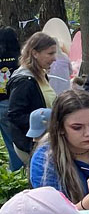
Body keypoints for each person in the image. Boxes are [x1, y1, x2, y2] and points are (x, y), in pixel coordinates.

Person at [7, 32, 57, 166]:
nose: (54, 58)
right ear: (35, 53)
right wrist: (43, 121)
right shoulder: (24, 81)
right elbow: (15, 115)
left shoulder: (40, 74)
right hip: (31, 142)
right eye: (50, 53)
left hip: (45, 139)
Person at [0, 26, 22, 171]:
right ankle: (20, 169)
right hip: (15, 102)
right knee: (17, 139)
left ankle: (14, 170)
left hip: (1, 102)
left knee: (8, 139)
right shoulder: (20, 59)